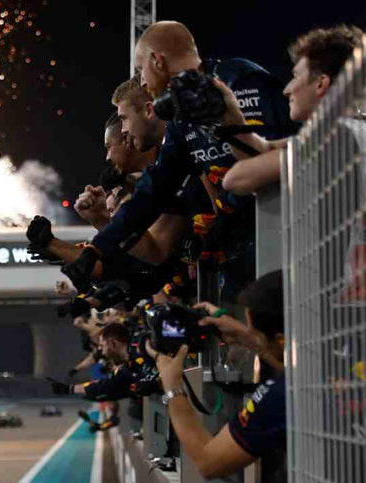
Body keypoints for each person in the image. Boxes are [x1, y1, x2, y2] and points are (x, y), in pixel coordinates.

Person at [61, 21, 296, 293]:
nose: (142, 82)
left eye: (140, 71)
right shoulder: (179, 121)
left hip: (286, 234)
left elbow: (268, 162)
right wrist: (97, 248)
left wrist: (225, 217)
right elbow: (152, 192)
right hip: (246, 258)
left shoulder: (237, 80)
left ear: (157, 61)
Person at [145, 271, 288, 483]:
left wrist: (173, 387)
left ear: (279, 339)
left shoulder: (279, 395)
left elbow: (208, 462)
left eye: (256, 332)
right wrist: (245, 333)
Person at [222, 25, 364, 195]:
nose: (286, 90)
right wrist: (230, 116)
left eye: (296, 76)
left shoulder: (333, 141)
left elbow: (235, 179)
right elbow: (264, 149)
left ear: (321, 83)